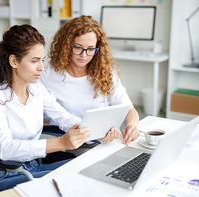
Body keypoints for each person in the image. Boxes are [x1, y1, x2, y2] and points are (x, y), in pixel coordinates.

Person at [0, 24, 92, 191]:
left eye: (42, 60)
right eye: (34, 61)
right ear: (14, 61)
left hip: (32, 167)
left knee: (87, 168)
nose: (41, 67)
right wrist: (61, 143)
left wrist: (95, 129)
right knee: (73, 181)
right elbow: (4, 149)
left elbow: (64, 118)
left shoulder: (36, 89)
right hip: (4, 175)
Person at [40, 15, 140, 153]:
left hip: (100, 142)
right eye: (78, 47)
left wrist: (132, 126)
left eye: (90, 49)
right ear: (66, 46)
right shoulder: (48, 75)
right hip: (65, 144)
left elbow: (128, 109)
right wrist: (98, 133)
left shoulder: (106, 73)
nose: (84, 55)